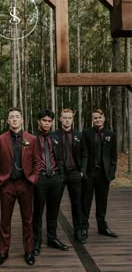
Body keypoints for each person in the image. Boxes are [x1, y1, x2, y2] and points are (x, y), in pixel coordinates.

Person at [0, 107, 41, 266]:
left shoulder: (31, 139)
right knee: (5, 220)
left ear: (22, 120)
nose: (14, 119)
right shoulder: (0, 139)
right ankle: (3, 251)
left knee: (27, 220)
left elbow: (37, 162)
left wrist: (33, 179)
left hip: (25, 185)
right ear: (8, 120)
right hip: (7, 185)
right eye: (11, 117)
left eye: (17, 117)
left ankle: (28, 251)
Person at [32, 108, 68, 257]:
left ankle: (52, 238)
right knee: (38, 211)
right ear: (38, 121)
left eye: (49, 121)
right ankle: (36, 241)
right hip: (40, 178)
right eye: (44, 121)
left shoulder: (55, 138)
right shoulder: (32, 138)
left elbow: (60, 157)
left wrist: (60, 177)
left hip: (55, 177)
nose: (47, 123)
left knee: (53, 211)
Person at [81, 109, 118, 238]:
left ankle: (102, 227)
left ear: (104, 118)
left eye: (99, 117)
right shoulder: (86, 133)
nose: (97, 120)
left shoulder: (110, 134)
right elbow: (83, 153)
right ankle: (83, 227)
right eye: (95, 118)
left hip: (103, 174)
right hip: (90, 173)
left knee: (102, 202)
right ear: (92, 120)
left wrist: (111, 173)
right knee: (86, 202)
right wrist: (83, 172)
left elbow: (113, 156)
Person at [53, 108, 88, 244]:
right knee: (54, 204)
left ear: (72, 120)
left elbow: (85, 154)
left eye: (69, 118)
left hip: (74, 173)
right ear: (60, 119)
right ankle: (53, 234)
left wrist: (82, 172)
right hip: (59, 173)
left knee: (77, 204)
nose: (67, 120)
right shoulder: (54, 135)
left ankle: (78, 231)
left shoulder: (79, 135)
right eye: (64, 117)